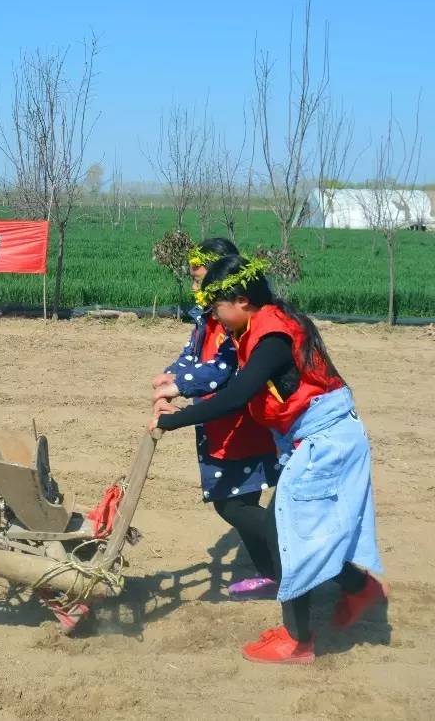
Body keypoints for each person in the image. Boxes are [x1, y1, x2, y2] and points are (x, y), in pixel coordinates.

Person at [152, 254, 385, 665]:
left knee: (288, 532)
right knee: (287, 527)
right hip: (311, 438)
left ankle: (298, 640)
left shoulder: (272, 337)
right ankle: (357, 588)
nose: (215, 318)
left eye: (218, 308)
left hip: (325, 440)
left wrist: (178, 420)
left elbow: (236, 395)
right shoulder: (257, 326)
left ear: (241, 301)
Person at [150, 238, 281, 599]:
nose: (196, 287)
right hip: (218, 423)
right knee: (241, 502)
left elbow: (223, 369)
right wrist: (172, 375)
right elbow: (192, 356)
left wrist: (180, 390)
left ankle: (292, 552)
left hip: (241, 427)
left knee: (232, 504)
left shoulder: (234, 323)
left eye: (199, 279)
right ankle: (272, 571)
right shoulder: (208, 317)